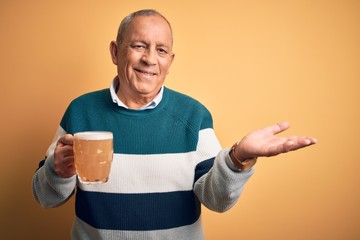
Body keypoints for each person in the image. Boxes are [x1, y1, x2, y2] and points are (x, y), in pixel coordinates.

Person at [32, 9, 317, 240]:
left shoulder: (194, 115)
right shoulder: (80, 111)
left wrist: (238, 158)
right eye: (139, 46)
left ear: (170, 61)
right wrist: (57, 172)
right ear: (115, 52)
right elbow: (46, 198)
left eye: (161, 50)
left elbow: (217, 201)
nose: (149, 59)